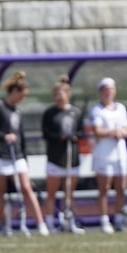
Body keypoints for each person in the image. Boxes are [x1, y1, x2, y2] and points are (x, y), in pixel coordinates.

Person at [0, 71, 48, 237]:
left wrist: (25, 157)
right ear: (14, 92)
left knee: (26, 188)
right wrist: (4, 136)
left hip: (17, 155)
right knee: (0, 191)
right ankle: (5, 226)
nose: (23, 99)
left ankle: (40, 224)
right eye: (22, 95)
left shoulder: (17, 111)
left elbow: (21, 135)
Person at [89, 77, 127, 234]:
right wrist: (111, 132)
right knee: (104, 188)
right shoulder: (96, 110)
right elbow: (97, 131)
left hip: (120, 154)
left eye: (111, 90)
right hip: (104, 155)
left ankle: (119, 218)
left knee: (121, 187)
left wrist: (120, 133)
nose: (108, 93)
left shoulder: (121, 108)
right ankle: (104, 219)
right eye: (105, 90)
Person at [41, 76, 85, 234]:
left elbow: (81, 132)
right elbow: (46, 133)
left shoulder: (76, 112)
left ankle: (70, 221)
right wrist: (58, 136)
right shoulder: (50, 113)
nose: (59, 96)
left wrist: (74, 136)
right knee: (52, 193)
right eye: (56, 94)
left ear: (68, 94)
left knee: (69, 194)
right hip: (55, 157)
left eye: (62, 93)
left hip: (71, 157)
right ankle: (49, 223)